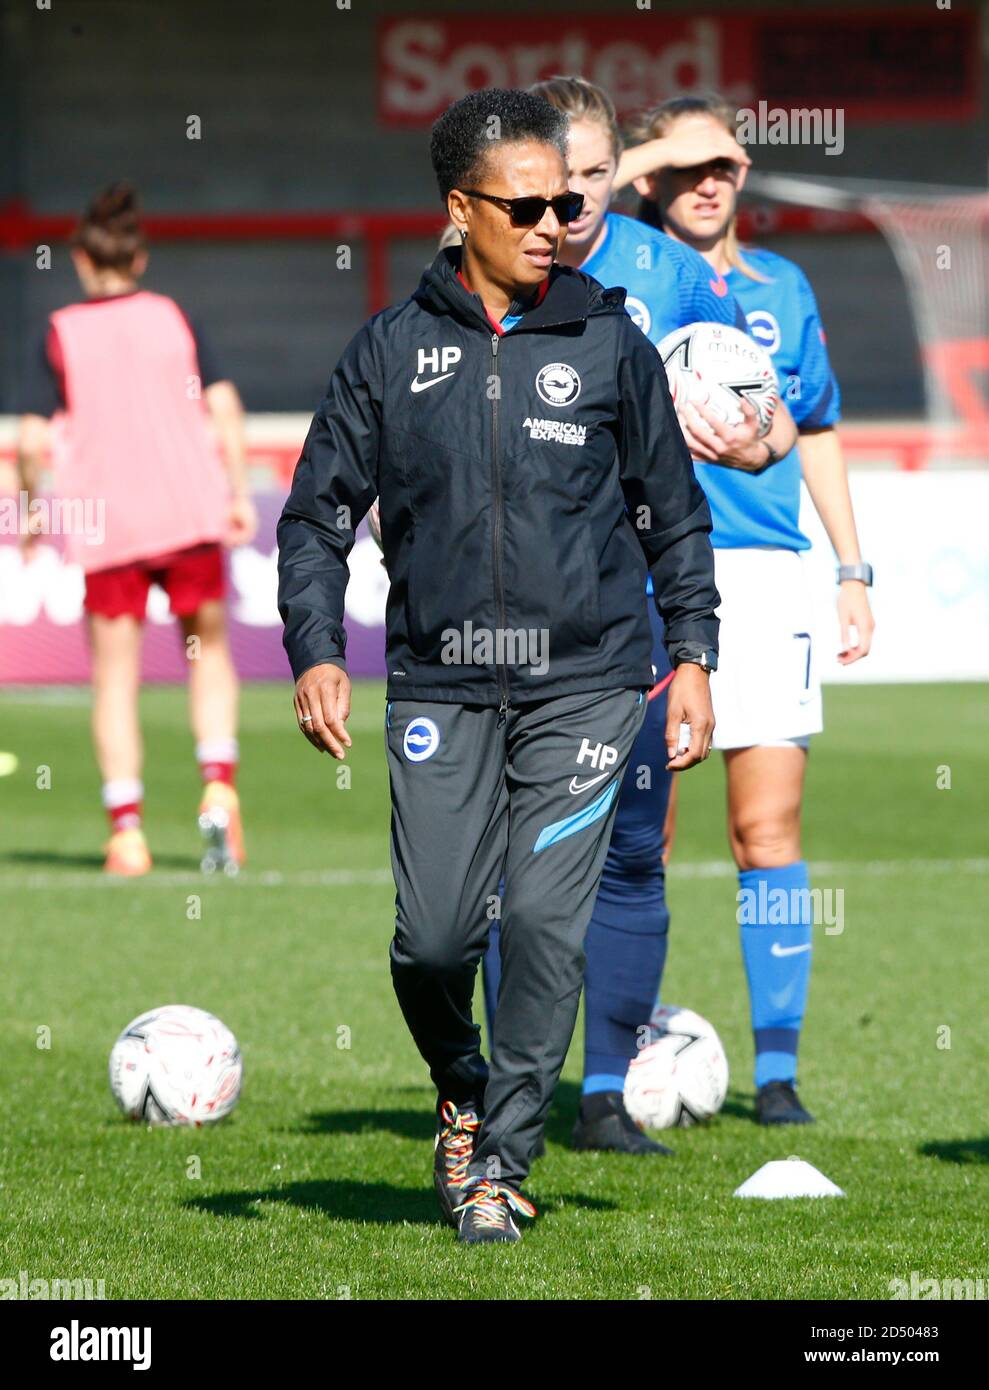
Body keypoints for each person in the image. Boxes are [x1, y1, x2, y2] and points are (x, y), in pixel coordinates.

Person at [276, 88, 720, 1244]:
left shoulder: (608, 339)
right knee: (431, 938)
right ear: (458, 209)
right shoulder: (389, 350)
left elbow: (671, 515)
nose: (554, 221)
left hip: (587, 685)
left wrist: (694, 653)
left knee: (541, 923)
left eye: (568, 201)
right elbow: (317, 518)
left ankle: (502, 1165)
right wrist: (317, 650)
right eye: (525, 204)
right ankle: (462, 1083)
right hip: (438, 685)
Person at [476, 75, 799, 1154]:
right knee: (503, 864)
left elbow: (770, 422)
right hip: (509, 605)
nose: (566, 205)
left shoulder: (670, 276)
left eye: (589, 179)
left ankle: (605, 1092)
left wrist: (748, 436)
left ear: (620, 175)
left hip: (640, 610)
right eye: (550, 182)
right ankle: (496, 1087)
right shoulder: (484, 276)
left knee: (628, 854)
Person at [613, 94, 875, 1123]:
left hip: (767, 578)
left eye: (724, 162)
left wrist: (852, 570)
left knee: (766, 830)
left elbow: (815, 428)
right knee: (644, 833)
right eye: (684, 168)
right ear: (646, 179)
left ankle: (777, 1076)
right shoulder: (612, 271)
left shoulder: (782, 285)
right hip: (645, 572)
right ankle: (609, 1069)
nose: (710, 181)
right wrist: (643, 154)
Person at [16, 183, 256, 876]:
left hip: (110, 522)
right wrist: (237, 491)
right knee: (206, 653)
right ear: (141, 258)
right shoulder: (174, 319)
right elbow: (225, 405)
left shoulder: (60, 332)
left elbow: (31, 441)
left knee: (115, 680)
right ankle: (218, 787)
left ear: (81, 260)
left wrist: (33, 511)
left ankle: (127, 832)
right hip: (189, 510)